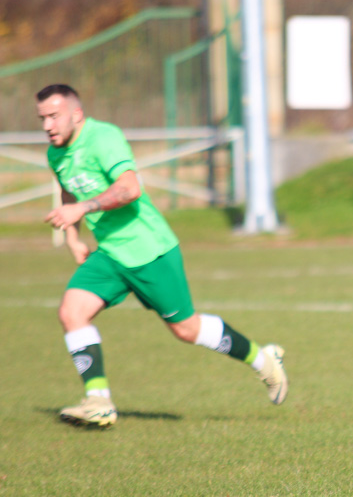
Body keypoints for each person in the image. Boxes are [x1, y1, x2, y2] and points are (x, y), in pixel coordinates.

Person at [37, 84, 288, 427]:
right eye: (42, 119)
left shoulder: (103, 138)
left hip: (149, 250)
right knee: (71, 312)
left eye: (54, 116)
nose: (48, 126)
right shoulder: (57, 153)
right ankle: (99, 401)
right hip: (110, 253)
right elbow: (69, 188)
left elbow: (129, 188)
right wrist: (72, 236)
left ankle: (264, 360)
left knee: (185, 329)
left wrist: (83, 208)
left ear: (76, 114)